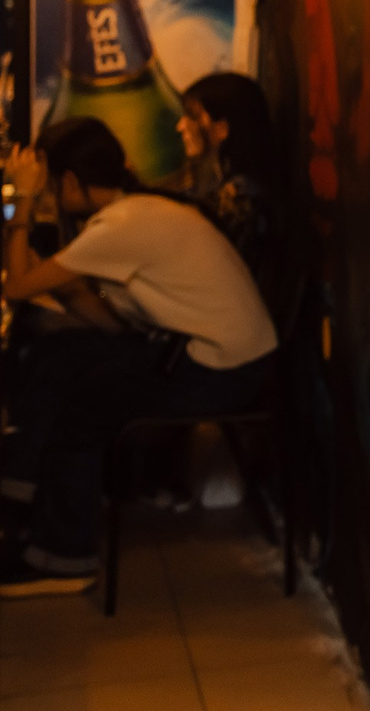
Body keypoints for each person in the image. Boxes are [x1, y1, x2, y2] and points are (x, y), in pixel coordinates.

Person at [0, 117, 276, 596]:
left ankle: (64, 559)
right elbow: (111, 323)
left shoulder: (121, 225)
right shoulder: (135, 212)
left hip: (222, 370)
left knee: (83, 406)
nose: (48, 196)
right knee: (61, 353)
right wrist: (67, 286)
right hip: (213, 355)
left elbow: (17, 287)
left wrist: (22, 199)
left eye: (49, 185)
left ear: (70, 181)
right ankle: (21, 494)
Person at [176, 72, 278, 275]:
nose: (181, 126)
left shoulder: (240, 195)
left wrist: (194, 164)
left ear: (221, 129)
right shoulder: (225, 180)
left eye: (194, 116)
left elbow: (189, 243)